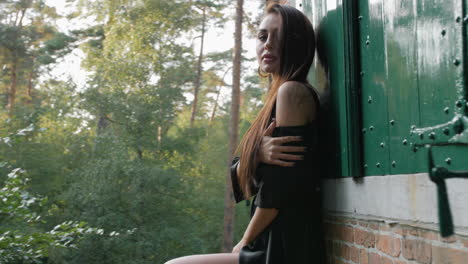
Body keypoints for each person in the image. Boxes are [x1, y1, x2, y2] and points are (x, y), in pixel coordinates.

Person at [164, 3, 322, 264]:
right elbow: (242, 182)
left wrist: (244, 241)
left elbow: (279, 188)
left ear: (297, 44)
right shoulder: (277, 96)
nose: (268, 44)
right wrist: (257, 154)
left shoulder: (291, 92)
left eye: (278, 36)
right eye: (262, 36)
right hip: (270, 237)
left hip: (283, 243)